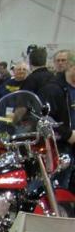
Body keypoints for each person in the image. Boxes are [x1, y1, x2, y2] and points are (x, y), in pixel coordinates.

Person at [40, 51, 75, 188]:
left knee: (64, 190)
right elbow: (44, 119)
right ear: (71, 66)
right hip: (56, 148)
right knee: (49, 187)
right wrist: (68, 135)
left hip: (70, 149)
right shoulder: (53, 88)